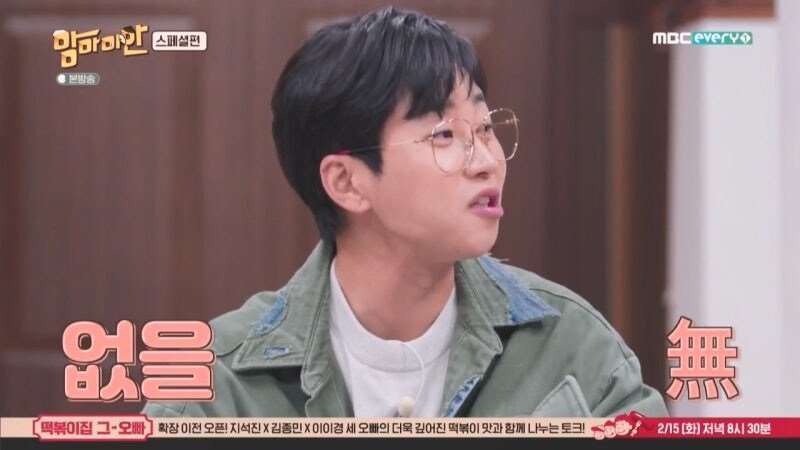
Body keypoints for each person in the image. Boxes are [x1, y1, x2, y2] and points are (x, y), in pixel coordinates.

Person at [142, 6, 667, 418]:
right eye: (444, 135)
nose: (488, 161)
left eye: (485, 128)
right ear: (346, 182)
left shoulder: (574, 350)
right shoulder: (215, 385)